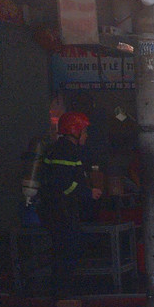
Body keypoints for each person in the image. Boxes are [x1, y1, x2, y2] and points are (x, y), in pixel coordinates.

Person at [38, 111, 103, 297]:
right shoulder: (64, 151)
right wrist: (88, 192)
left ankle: (62, 293)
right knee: (66, 252)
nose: (86, 135)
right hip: (60, 212)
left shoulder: (66, 149)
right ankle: (61, 295)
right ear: (74, 131)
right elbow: (63, 183)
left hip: (63, 211)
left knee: (67, 251)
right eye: (84, 131)